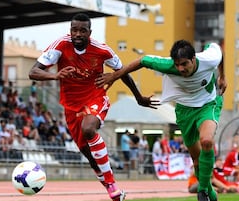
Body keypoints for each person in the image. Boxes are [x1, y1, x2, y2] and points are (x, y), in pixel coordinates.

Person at [28, 13, 158, 201]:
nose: (78, 34)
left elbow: (123, 72)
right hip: (71, 105)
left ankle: (112, 183)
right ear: (70, 31)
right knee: (88, 154)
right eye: (74, 30)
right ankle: (109, 186)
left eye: (82, 30)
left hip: (95, 97)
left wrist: (138, 97)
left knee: (88, 129)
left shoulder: (102, 50)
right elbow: (34, 72)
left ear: (90, 32)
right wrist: (55, 76)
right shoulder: (60, 46)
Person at [96, 39, 226, 201]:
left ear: (193, 59)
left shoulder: (209, 59)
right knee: (196, 159)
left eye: (184, 64)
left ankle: (203, 191)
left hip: (208, 105)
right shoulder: (167, 65)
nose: (180, 69)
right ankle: (209, 192)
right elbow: (141, 61)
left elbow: (217, 49)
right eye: (177, 64)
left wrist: (222, 77)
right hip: (184, 111)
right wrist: (115, 76)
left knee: (206, 141)